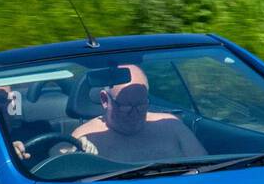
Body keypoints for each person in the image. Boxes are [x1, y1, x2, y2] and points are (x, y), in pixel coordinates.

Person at [72, 64, 205, 162]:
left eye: (141, 104)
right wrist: (77, 156)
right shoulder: (85, 137)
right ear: (105, 100)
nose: (135, 113)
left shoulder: (171, 126)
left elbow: (207, 169)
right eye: (126, 106)